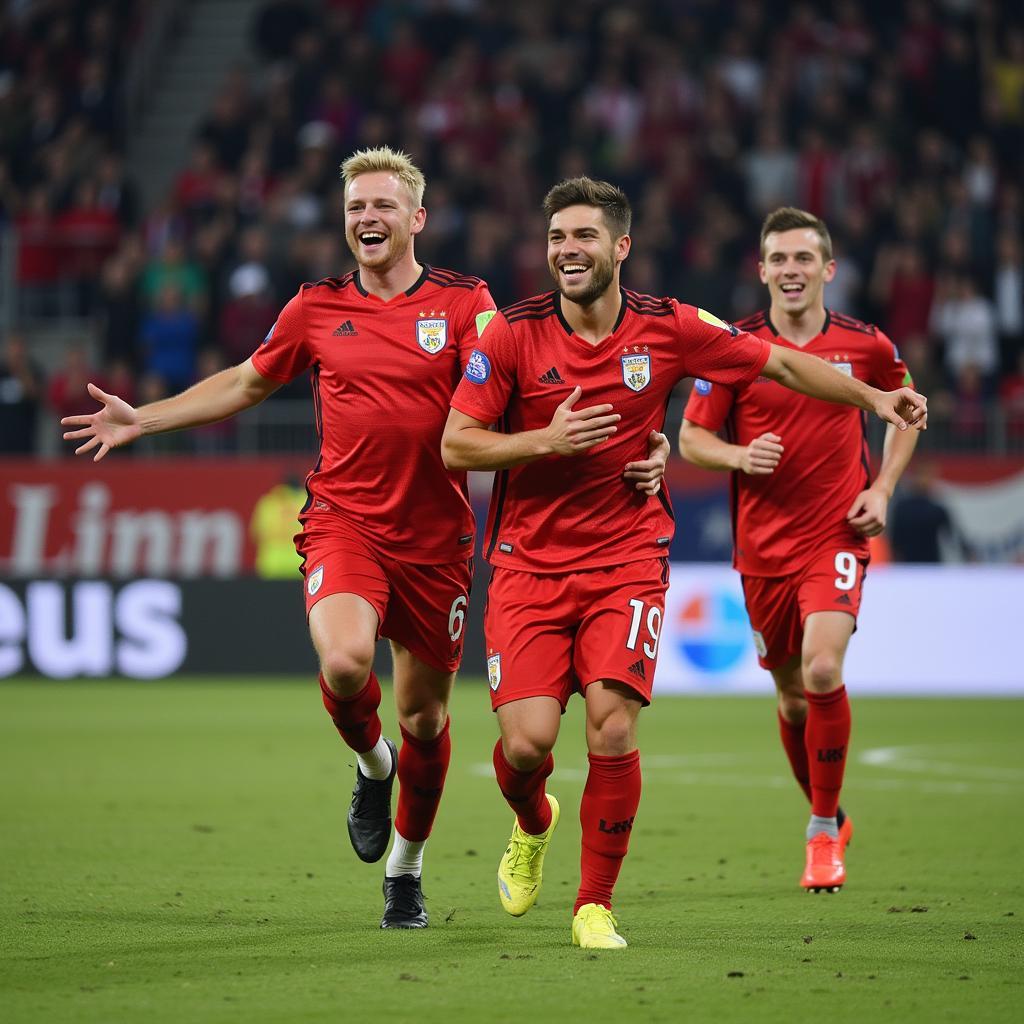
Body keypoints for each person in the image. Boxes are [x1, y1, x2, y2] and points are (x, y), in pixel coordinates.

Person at [61, 148, 669, 930]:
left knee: (425, 721)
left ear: (415, 219)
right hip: (346, 522)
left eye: (382, 206)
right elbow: (249, 380)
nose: (366, 219)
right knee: (346, 662)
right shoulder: (314, 307)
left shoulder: (466, 304)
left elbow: (520, 382)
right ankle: (370, 763)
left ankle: (405, 871)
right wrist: (144, 417)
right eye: (355, 208)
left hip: (438, 543)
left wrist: (638, 447)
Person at [441, 179, 926, 949]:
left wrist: (874, 398)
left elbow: (782, 366)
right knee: (528, 745)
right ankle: (533, 822)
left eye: (585, 237)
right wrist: (546, 442)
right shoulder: (507, 333)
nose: (569, 250)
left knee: (611, 728)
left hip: (627, 558)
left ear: (620, 247)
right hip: (528, 563)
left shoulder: (672, 327)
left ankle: (594, 905)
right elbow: (456, 443)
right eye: (558, 237)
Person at [678, 206, 920, 894]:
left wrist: (884, 488)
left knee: (820, 669)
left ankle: (819, 833)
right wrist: (737, 453)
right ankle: (830, 812)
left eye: (804, 259)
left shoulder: (866, 344)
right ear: (761, 270)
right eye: (778, 259)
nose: (791, 270)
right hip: (761, 549)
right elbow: (691, 439)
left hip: (836, 532)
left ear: (828, 270)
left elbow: (904, 407)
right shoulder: (736, 347)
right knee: (790, 699)